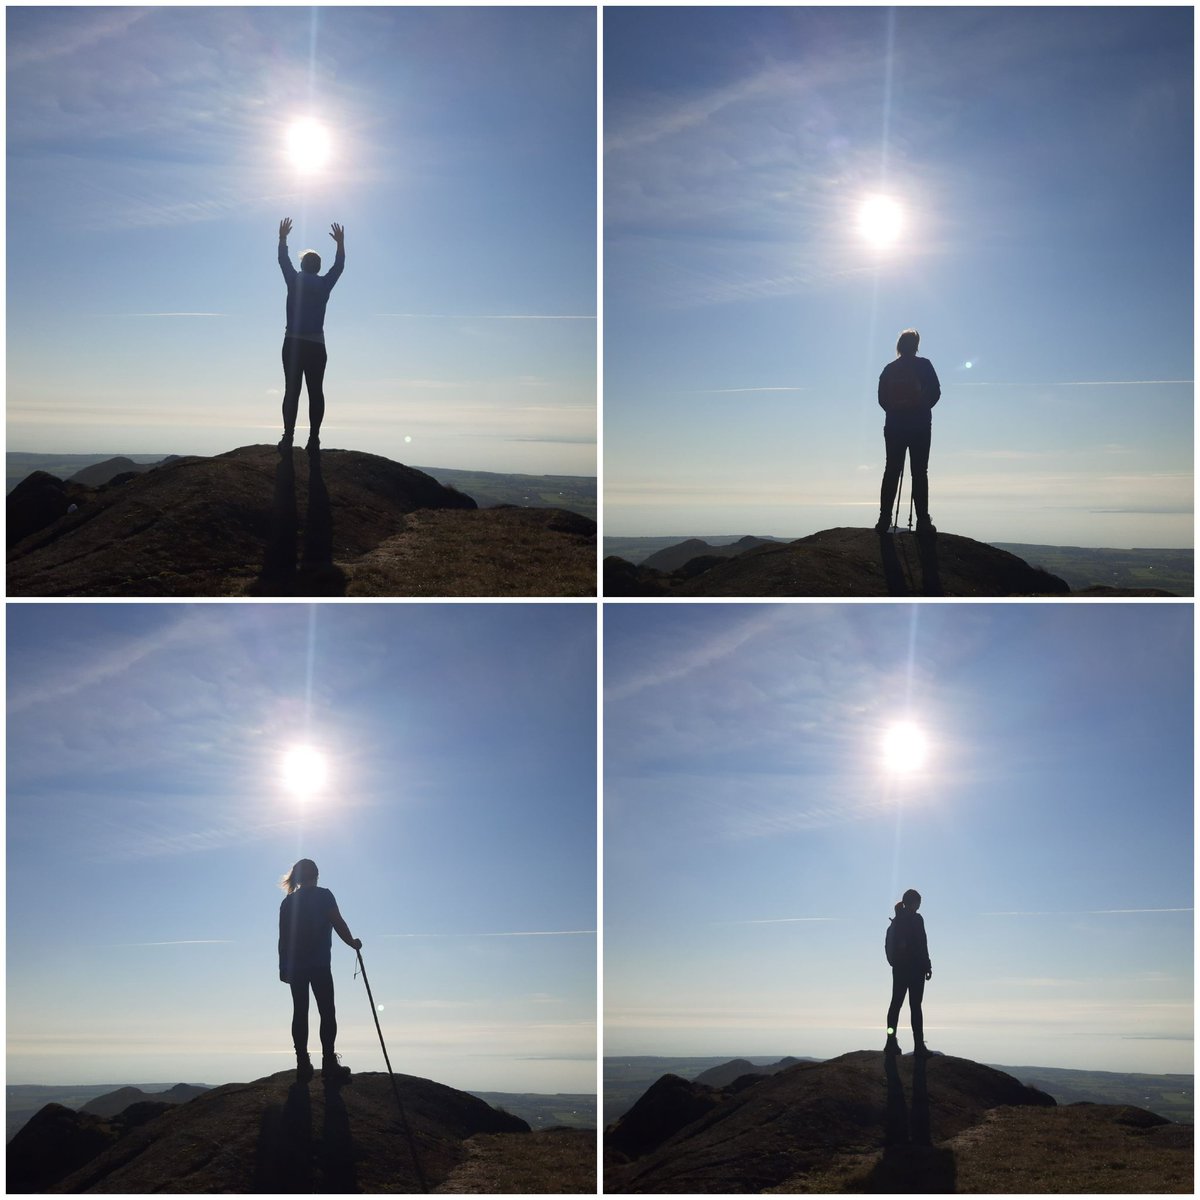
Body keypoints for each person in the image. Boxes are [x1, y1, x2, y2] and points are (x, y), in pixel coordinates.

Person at [278, 857, 361, 1084]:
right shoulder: (324, 896)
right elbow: (338, 922)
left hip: (296, 966)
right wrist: (352, 943)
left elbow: (283, 938)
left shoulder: (288, 903)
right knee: (327, 1012)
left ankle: (302, 1064)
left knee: (300, 1012)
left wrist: (283, 966)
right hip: (320, 965)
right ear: (316, 875)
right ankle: (328, 1063)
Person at [277, 218, 346, 453]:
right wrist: (340, 244)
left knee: (291, 391)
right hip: (317, 344)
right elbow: (339, 266)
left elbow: (283, 260)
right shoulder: (325, 284)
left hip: (293, 343)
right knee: (316, 391)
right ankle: (314, 439)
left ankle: (288, 438)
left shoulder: (294, 280)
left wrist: (283, 238)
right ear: (317, 267)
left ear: (303, 265)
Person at [875, 329, 940, 536]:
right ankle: (922, 521)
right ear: (916, 345)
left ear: (899, 346)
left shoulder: (889, 369)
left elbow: (882, 399)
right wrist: (920, 407)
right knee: (919, 472)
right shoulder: (924, 365)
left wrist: (897, 411)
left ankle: (884, 518)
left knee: (892, 470)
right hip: (920, 425)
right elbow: (936, 392)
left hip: (895, 426)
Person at [884, 887, 933, 1058]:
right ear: (913, 902)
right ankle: (919, 1046)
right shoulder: (916, 920)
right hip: (915, 970)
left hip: (899, 970)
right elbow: (922, 944)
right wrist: (927, 965)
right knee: (915, 1007)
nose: (919, 906)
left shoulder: (897, 920)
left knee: (895, 1005)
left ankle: (890, 1042)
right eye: (918, 902)